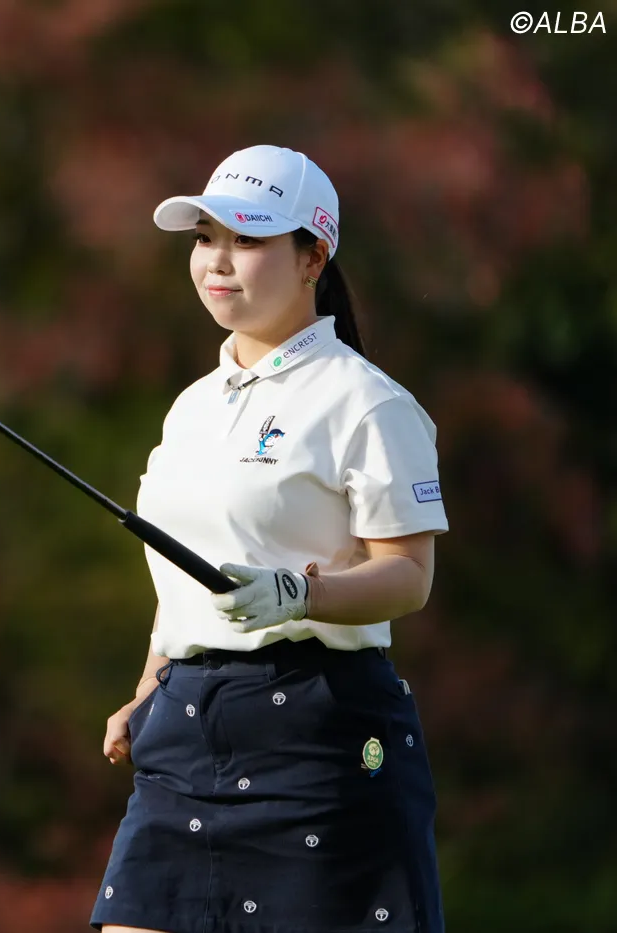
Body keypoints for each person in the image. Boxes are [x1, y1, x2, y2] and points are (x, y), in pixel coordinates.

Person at [89, 145, 448, 933]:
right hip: (186, 728)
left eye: (247, 239)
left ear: (313, 257)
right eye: (204, 238)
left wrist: (300, 593)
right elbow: (181, 572)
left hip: (317, 740)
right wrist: (149, 685)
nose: (217, 260)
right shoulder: (192, 406)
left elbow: (408, 574)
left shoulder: (367, 402)